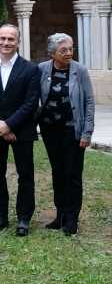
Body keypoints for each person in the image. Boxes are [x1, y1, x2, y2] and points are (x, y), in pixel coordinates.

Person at [0, 24, 40, 237]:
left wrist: (10, 125)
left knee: (25, 174)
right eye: (2, 38)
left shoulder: (30, 69)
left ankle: (23, 218)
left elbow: (31, 102)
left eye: (11, 39)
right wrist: (0, 125)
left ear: (18, 42)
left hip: (22, 129)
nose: (6, 43)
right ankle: (0, 215)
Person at [38, 33, 95, 236]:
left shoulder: (80, 71)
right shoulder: (42, 69)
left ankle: (72, 219)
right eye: (64, 50)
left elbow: (89, 102)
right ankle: (60, 214)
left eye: (71, 49)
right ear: (53, 53)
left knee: (73, 175)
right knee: (58, 173)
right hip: (50, 131)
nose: (69, 53)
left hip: (73, 131)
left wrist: (87, 132)